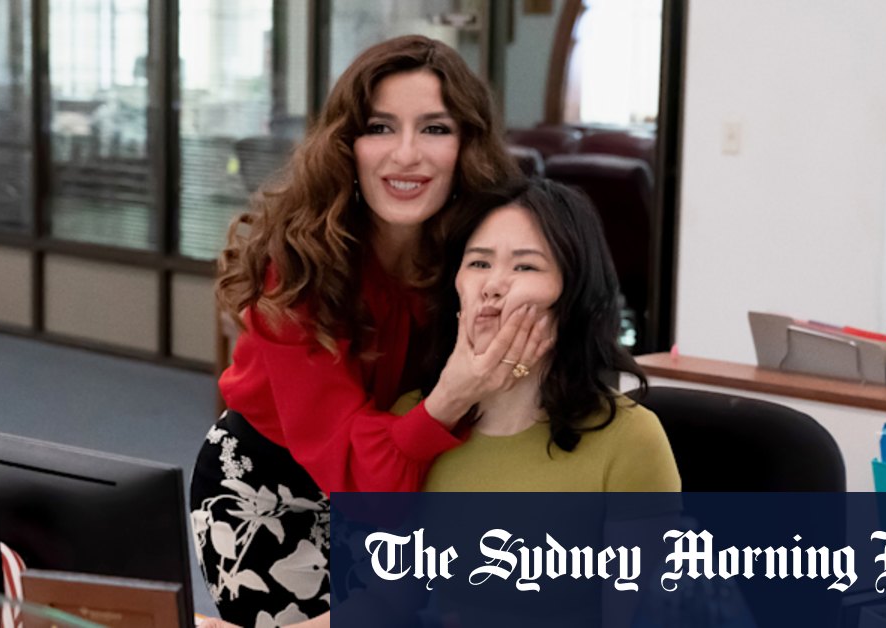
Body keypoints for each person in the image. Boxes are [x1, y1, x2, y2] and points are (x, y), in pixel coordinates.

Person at [190, 35, 548, 627]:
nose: (406, 154)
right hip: (273, 490)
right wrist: (454, 393)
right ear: (347, 145)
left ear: (466, 146)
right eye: (380, 127)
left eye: (435, 129)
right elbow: (354, 470)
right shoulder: (297, 268)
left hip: (415, 477)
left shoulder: (479, 250)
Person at [415, 177, 682, 492]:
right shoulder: (413, 417)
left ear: (574, 291)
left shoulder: (631, 438)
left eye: (525, 267)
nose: (492, 286)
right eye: (479, 263)